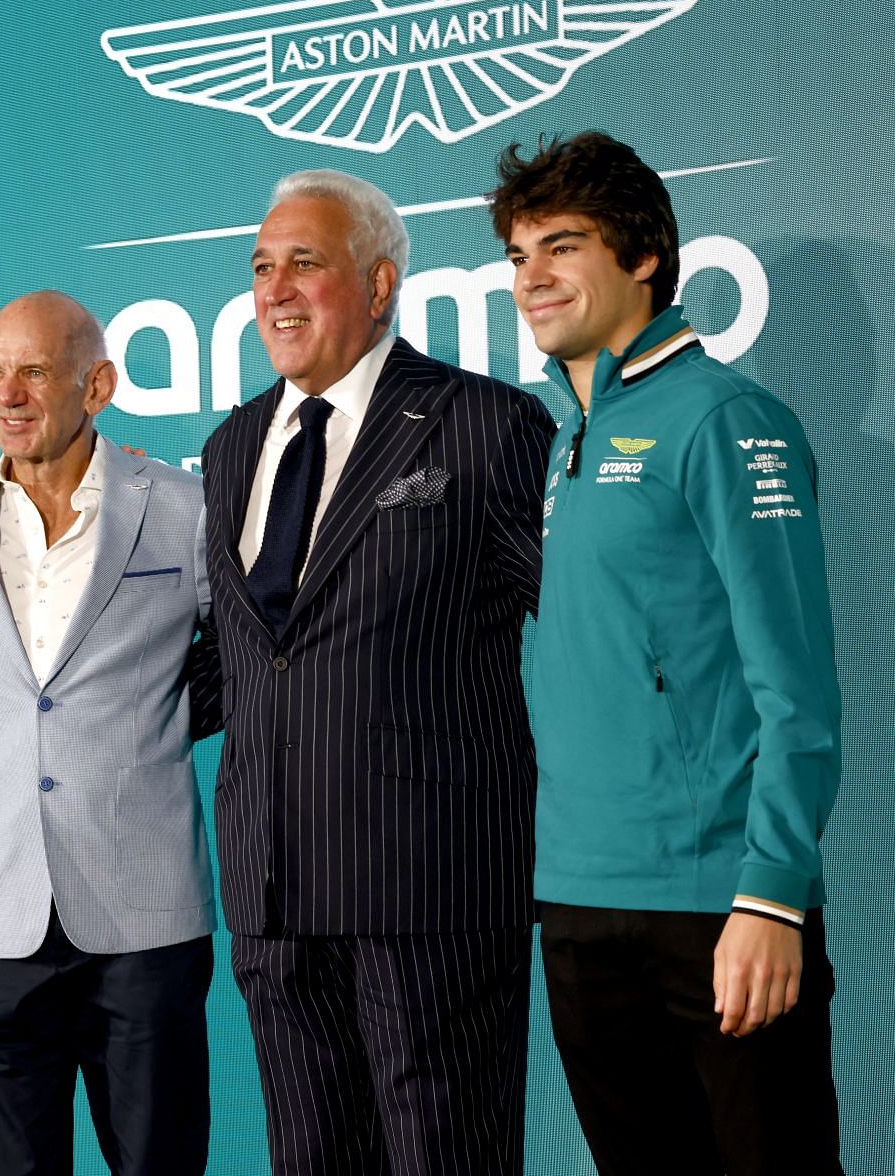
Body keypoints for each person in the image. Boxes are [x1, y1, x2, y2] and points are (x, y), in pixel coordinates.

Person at [494, 130, 844, 1175]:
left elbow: (799, 688)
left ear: (643, 256)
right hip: (580, 900)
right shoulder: (564, 436)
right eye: (516, 256)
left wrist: (772, 891)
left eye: (562, 246)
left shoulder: (729, 419)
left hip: (716, 910)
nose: (532, 277)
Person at [200, 170, 554, 1174]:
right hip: (273, 893)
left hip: (431, 890)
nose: (276, 289)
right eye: (263, 267)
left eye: (305, 263)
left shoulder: (483, 425)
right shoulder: (230, 447)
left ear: (381, 282)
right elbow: (239, 655)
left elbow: (580, 632)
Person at [0, 290, 219, 1176]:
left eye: (34, 372)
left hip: (144, 913)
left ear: (98, 385)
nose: (8, 393)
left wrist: (154, 718)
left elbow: (241, 658)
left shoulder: (183, 508)